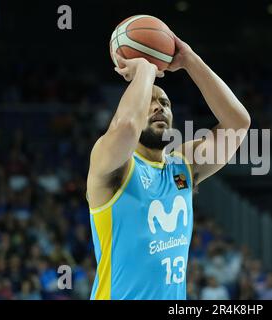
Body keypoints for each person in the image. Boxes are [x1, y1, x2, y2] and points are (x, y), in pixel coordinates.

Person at [86, 32, 251, 300]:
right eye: (149, 102)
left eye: (164, 102)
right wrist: (145, 70)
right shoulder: (112, 163)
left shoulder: (182, 166)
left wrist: (190, 60)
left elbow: (238, 124)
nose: (158, 107)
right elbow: (127, 126)